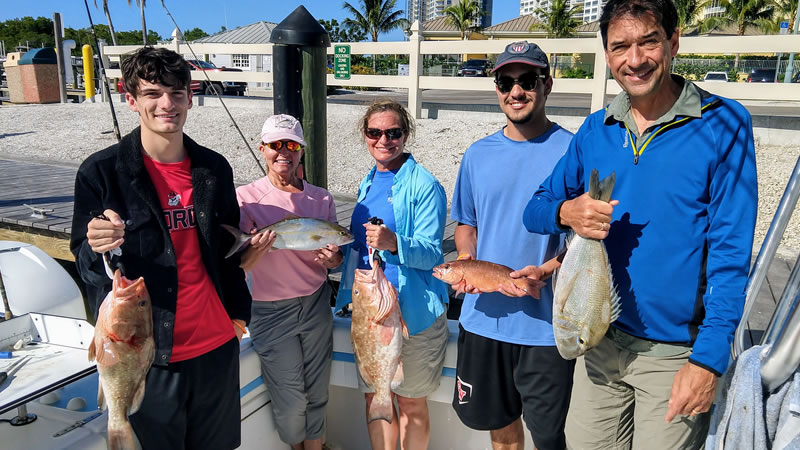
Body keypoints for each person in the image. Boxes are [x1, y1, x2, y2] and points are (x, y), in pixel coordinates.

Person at [522, 0, 758, 447]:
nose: (635, 60)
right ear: (607, 55)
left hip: (675, 354)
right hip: (599, 339)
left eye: (648, 42)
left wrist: (707, 363)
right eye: (620, 47)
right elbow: (536, 210)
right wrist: (565, 213)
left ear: (672, 41)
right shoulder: (597, 129)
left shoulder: (724, 124)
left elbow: (731, 254)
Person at [70, 47, 251, 449]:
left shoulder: (214, 168)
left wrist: (238, 317)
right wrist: (95, 243)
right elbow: (84, 263)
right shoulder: (100, 172)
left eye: (176, 92)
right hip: (147, 356)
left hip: (217, 348)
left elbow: (228, 253)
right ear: (130, 99)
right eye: (152, 93)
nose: (166, 104)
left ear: (191, 96)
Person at [449, 41, 576, 450]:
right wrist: (467, 265)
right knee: (501, 431)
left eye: (527, 81)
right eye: (506, 81)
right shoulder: (477, 155)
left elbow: (587, 238)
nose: (515, 91)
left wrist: (547, 269)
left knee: (548, 437)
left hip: (547, 326)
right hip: (484, 319)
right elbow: (466, 224)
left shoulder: (573, 150)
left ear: (547, 85)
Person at [335, 99, 449, 450]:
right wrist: (332, 257)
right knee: (375, 399)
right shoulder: (369, 181)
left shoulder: (426, 185)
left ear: (405, 135)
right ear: (365, 135)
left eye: (393, 132)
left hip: (413, 314)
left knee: (411, 403)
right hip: (370, 312)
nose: (383, 140)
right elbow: (360, 248)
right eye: (375, 132)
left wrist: (394, 242)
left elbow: (433, 253)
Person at [235, 114, 343, 450]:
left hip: (315, 303)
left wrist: (334, 260)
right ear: (262, 149)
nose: (284, 152)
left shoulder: (321, 199)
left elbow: (335, 257)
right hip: (269, 310)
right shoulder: (245, 198)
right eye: (276, 145)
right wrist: (258, 248)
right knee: (291, 397)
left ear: (301, 152)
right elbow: (241, 266)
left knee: (318, 389)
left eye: (292, 145)